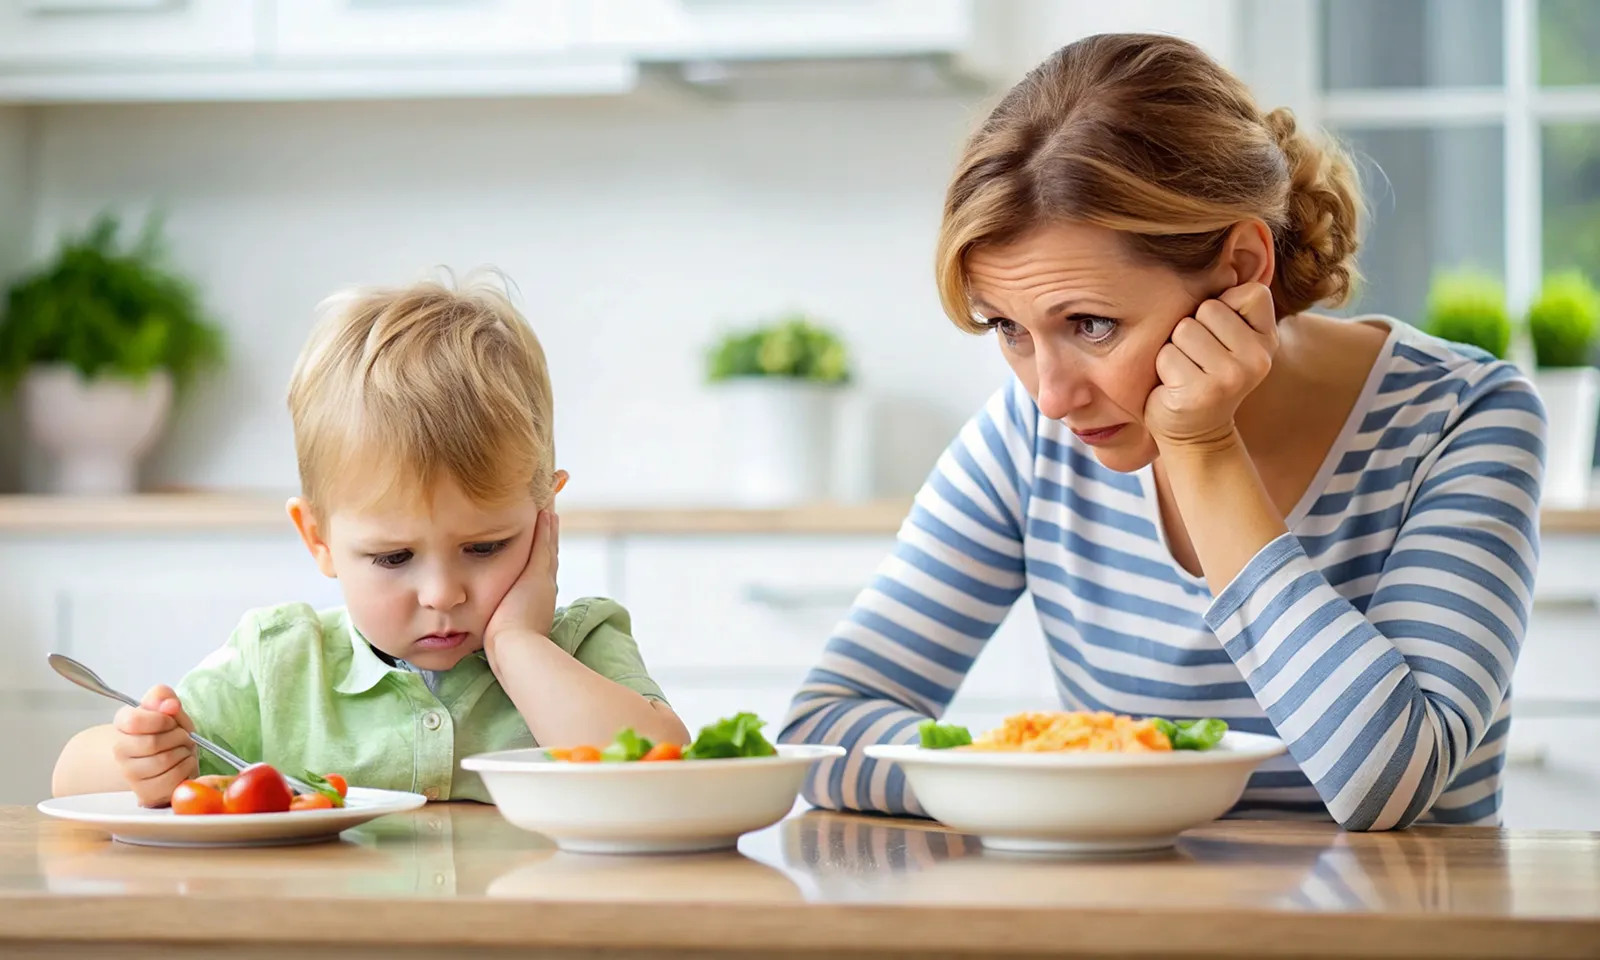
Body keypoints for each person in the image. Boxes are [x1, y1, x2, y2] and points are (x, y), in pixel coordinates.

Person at [778, 33, 1546, 831]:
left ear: (1243, 268)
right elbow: (826, 727)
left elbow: (1385, 780)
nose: (1050, 394)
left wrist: (1202, 449)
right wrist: (1061, 762)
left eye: (1092, 325)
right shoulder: (1031, 441)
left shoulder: (1462, 419)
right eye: (1008, 328)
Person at [52, 274, 689, 806]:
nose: (442, 594)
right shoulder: (281, 663)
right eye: (393, 557)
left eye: (486, 547)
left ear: (546, 512)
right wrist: (139, 760)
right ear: (318, 538)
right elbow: (72, 781)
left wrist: (519, 644)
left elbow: (668, 777)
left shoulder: (580, 644)